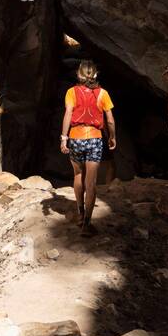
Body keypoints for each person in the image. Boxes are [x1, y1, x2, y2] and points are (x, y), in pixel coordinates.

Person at [60, 60, 115, 234]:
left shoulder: (71, 92)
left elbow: (68, 113)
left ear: (79, 74)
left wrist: (64, 138)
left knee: (77, 175)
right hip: (94, 139)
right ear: (96, 74)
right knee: (91, 183)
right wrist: (112, 136)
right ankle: (87, 225)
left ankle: (80, 214)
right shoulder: (103, 94)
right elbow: (110, 120)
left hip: (75, 137)